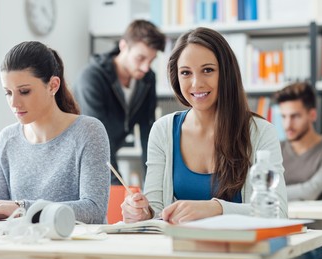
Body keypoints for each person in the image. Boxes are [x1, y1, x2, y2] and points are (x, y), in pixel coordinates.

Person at [121, 27, 288, 224]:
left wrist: (215, 208)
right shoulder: (163, 130)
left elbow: (278, 212)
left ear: (226, 73)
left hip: (240, 251)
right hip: (182, 249)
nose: (196, 83)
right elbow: (156, 210)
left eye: (207, 70)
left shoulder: (261, 132)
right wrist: (142, 213)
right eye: (185, 73)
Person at [0, 41, 110, 224]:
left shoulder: (88, 131)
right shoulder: (8, 139)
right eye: (8, 93)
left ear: (53, 85)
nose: (14, 103)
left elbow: (93, 211)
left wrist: (22, 208)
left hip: (71, 250)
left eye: (24, 91)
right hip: (19, 249)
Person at [74, 19, 166, 184]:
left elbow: (148, 134)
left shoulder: (147, 79)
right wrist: (120, 188)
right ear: (123, 46)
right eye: (140, 58)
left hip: (106, 154)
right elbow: (98, 141)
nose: (146, 67)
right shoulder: (91, 78)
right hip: (77, 159)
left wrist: (154, 186)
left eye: (151, 60)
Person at [274, 82, 322, 259]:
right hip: (273, 231)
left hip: (310, 238)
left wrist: (271, 194)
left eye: (295, 116)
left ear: (312, 115)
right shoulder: (275, 148)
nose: (287, 125)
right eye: (283, 117)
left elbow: (311, 191)